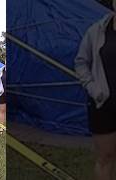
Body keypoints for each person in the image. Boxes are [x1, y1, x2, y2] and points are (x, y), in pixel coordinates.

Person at [74, 1, 116, 179]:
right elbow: (81, 62)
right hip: (103, 104)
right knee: (105, 159)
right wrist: (92, 87)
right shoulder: (97, 31)